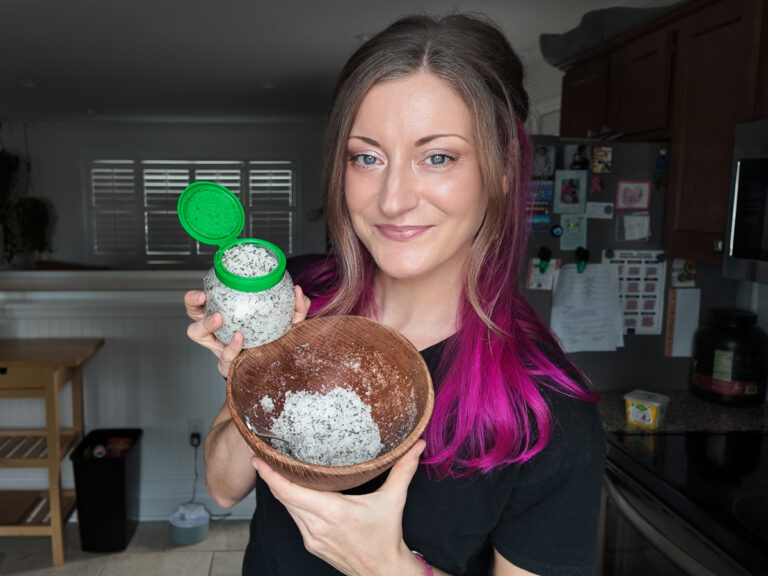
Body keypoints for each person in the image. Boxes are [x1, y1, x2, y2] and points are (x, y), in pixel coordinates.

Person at [184, 13, 605, 576]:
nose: (392, 200)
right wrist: (258, 365)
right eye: (367, 157)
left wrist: (385, 564)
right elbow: (222, 487)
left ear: (503, 167)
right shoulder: (299, 295)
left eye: (438, 157)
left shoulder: (547, 409)